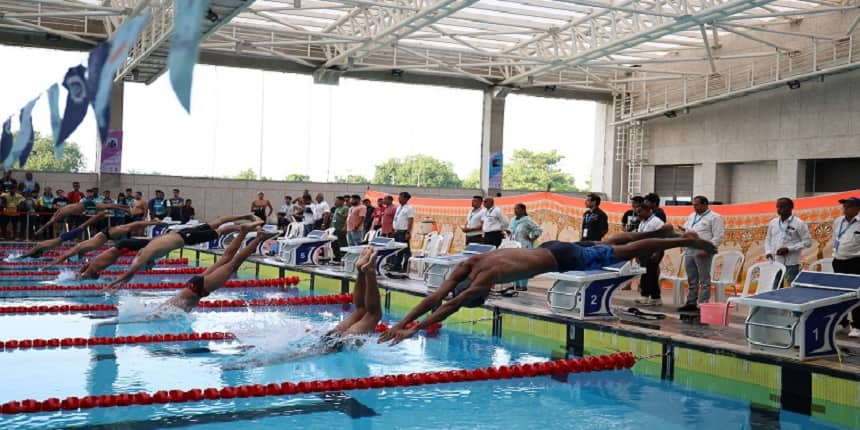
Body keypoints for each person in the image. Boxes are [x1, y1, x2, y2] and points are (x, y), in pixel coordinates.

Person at [378, 225, 716, 345]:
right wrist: (400, 324)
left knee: (621, 251)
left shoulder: (482, 279)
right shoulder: (469, 266)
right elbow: (436, 296)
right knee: (608, 242)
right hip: (551, 248)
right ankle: (664, 231)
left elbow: (446, 305)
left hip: (561, 259)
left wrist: (412, 329)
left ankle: (683, 242)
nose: (477, 295)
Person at [106, 214, 257, 289]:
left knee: (222, 230)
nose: (150, 268)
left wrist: (111, 285)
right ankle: (247, 216)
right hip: (184, 233)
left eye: (148, 267)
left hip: (187, 237)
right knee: (216, 222)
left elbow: (128, 274)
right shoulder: (148, 248)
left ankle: (252, 225)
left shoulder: (143, 257)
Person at [163, 223, 279, 312]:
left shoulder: (165, 312)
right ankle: (244, 232)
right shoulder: (165, 308)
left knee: (234, 263)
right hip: (192, 285)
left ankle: (257, 237)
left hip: (197, 289)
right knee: (226, 258)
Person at [44, 219, 165, 267]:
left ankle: (154, 223)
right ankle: (154, 226)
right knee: (131, 229)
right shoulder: (83, 249)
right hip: (106, 235)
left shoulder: (79, 248)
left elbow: (63, 256)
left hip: (106, 234)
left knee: (132, 227)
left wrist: (49, 265)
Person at [679, 195, 724, 312]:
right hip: (690, 249)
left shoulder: (715, 217)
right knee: (692, 278)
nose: (694, 207)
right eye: (693, 205)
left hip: (703, 250)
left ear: (705, 204)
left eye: (697, 205)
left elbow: (718, 236)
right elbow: (687, 228)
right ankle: (691, 303)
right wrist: (683, 230)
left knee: (704, 279)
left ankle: (703, 304)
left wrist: (707, 249)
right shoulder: (692, 216)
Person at [764, 197, 812, 287]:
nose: (779, 209)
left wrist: (789, 249)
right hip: (776, 260)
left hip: (792, 262)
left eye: (782, 206)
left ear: (791, 207)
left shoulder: (799, 223)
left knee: (792, 286)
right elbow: (768, 239)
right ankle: (776, 300)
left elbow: (808, 242)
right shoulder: (773, 223)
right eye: (778, 207)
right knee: (776, 286)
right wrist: (768, 252)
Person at [34, 195, 129, 237]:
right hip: (84, 204)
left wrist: (40, 230)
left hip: (85, 205)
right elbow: (52, 219)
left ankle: (126, 208)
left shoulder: (60, 213)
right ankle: (126, 207)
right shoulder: (61, 209)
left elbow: (50, 221)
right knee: (109, 206)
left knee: (109, 206)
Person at [18, 213, 107, 259]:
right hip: (63, 237)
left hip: (64, 237)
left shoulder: (40, 246)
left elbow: (28, 253)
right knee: (84, 225)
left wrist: (19, 258)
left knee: (84, 225)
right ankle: (98, 216)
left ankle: (99, 215)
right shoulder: (41, 247)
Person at [833, 197, 860, 338]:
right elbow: (835, 239)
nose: (845, 209)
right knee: (840, 294)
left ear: (857, 208)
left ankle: (857, 326)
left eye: (848, 206)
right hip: (838, 261)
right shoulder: (838, 221)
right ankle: (843, 323)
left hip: (855, 262)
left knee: (856, 294)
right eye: (844, 206)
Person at [633, 200, 665, 306]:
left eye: (640, 211)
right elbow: (639, 237)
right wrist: (637, 253)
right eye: (637, 212)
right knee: (644, 274)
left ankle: (656, 297)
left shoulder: (657, 222)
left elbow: (662, 238)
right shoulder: (643, 222)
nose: (638, 214)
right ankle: (645, 296)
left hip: (654, 251)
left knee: (651, 274)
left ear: (648, 211)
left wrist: (657, 252)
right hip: (644, 251)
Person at [507, 203, 542, 291]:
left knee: (523, 266)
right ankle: (515, 284)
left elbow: (538, 229)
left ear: (523, 210)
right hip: (514, 245)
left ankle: (523, 285)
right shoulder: (512, 220)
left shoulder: (527, 220)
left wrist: (532, 238)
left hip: (524, 245)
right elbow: (511, 230)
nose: (515, 211)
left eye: (517, 209)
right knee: (514, 265)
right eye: (514, 209)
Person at [387, 192, 414, 272]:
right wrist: (394, 229)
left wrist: (408, 232)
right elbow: (396, 219)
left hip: (403, 231)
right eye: (399, 197)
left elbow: (410, 221)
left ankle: (406, 267)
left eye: (401, 197)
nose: (399, 198)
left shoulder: (409, 208)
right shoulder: (399, 207)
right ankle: (397, 265)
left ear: (406, 198)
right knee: (398, 249)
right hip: (397, 231)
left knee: (405, 250)